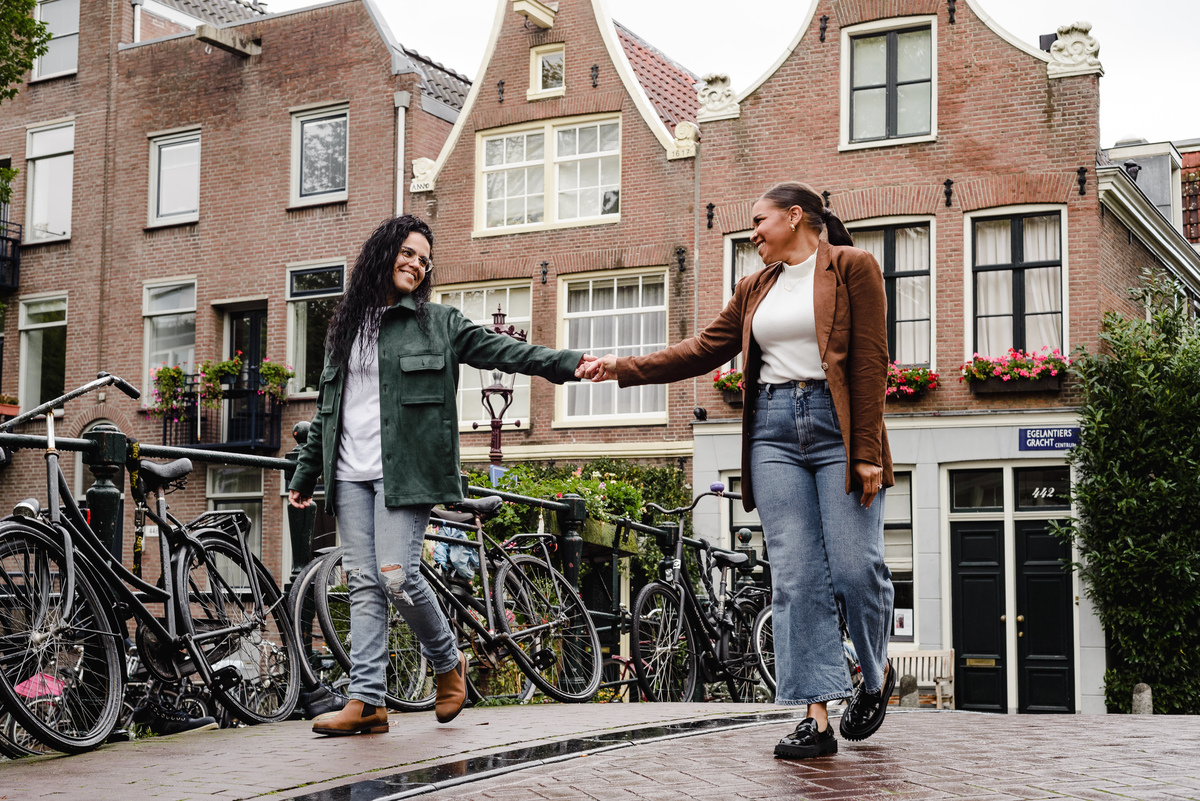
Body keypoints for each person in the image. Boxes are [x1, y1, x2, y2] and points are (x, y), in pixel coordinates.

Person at [582, 181, 895, 759]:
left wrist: (869, 451)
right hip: (773, 432)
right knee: (796, 578)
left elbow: (873, 360)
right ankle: (817, 717)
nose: (752, 232)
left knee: (856, 569)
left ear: (795, 217)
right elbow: (703, 348)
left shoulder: (854, 267)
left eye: (759, 220)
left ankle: (873, 679)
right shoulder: (755, 287)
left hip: (839, 428)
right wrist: (620, 368)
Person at [288, 214, 594, 735]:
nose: (416, 264)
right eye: (408, 253)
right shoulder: (343, 327)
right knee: (363, 583)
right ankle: (367, 701)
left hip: (407, 471)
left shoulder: (440, 323)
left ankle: (449, 662)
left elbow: (508, 351)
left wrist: (571, 362)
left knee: (396, 574)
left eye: (424, 259)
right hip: (349, 472)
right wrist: (304, 474)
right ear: (382, 253)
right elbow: (327, 409)